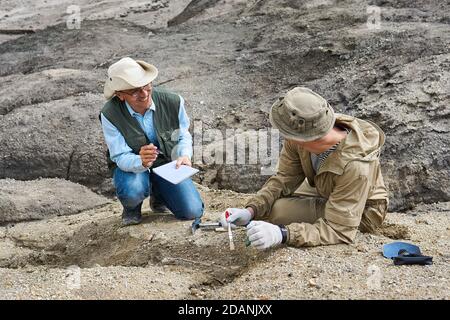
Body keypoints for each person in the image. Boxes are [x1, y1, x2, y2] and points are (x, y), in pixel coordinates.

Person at [220, 87, 388, 249]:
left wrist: (284, 234)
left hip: (362, 211)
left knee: (279, 210)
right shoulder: (308, 128)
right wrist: (251, 210)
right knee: (274, 201)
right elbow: (284, 178)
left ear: (303, 137)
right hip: (325, 185)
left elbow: (338, 230)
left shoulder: (355, 166)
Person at [100, 57, 204, 226]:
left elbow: (183, 134)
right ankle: (132, 207)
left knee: (192, 211)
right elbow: (119, 155)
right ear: (120, 95)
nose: (144, 94)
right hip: (132, 168)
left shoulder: (173, 101)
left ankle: (159, 195)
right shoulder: (109, 114)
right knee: (133, 190)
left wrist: (184, 154)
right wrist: (140, 161)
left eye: (146, 85)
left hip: (167, 165)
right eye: (134, 91)